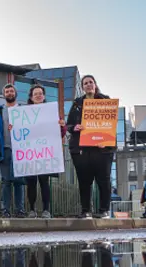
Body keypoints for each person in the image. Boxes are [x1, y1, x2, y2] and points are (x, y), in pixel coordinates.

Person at [66, 75, 113, 219]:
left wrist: (106, 139)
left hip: (102, 148)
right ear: (82, 87)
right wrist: (75, 127)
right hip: (82, 149)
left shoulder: (105, 101)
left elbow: (111, 124)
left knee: (103, 180)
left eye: (90, 82)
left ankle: (104, 210)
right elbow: (68, 125)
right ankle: (86, 210)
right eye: (85, 83)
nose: (88, 85)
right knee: (84, 181)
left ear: (95, 84)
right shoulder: (77, 104)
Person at [25, 84, 66, 219]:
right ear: (31, 97)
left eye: (40, 93)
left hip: (44, 153)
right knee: (31, 182)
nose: (38, 95)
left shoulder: (51, 113)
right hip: (31, 153)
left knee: (44, 182)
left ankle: (46, 210)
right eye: (35, 93)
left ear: (43, 96)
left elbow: (59, 133)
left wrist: (62, 126)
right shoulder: (23, 113)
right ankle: (32, 209)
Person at [0, 84, 26, 218]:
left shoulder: (23, 110)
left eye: (11, 91)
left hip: (20, 150)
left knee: (19, 181)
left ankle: (20, 210)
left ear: (16, 93)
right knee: (6, 181)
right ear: (4, 95)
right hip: (4, 150)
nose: (9, 93)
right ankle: (5, 210)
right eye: (7, 91)